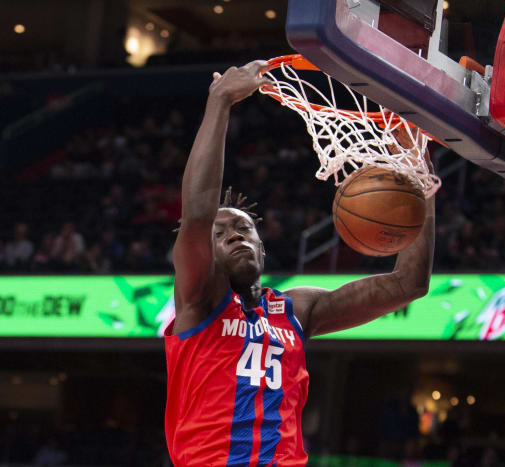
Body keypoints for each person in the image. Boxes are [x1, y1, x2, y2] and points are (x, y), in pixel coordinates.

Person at [163, 60, 435, 466]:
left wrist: (419, 183)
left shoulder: (296, 309)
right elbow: (198, 215)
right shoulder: (199, 302)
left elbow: (407, 284)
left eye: (243, 229)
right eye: (219, 236)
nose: (234, 235)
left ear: (262, 245)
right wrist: (220, 101)